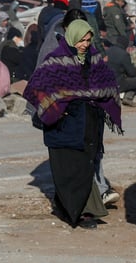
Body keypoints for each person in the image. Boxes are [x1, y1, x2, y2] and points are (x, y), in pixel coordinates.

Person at [24, 19, 122, 230]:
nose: (85, 44)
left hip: (89, 124)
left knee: (84, 168)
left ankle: (74, 208)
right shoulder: (55, 61)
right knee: (69, 170)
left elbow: (108, 83)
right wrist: (58, 107)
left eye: (88, 40)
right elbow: (36, 88)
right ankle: (80, 213)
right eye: (81, 40)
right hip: (63, 126)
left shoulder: (93, 59)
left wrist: (97, 97)